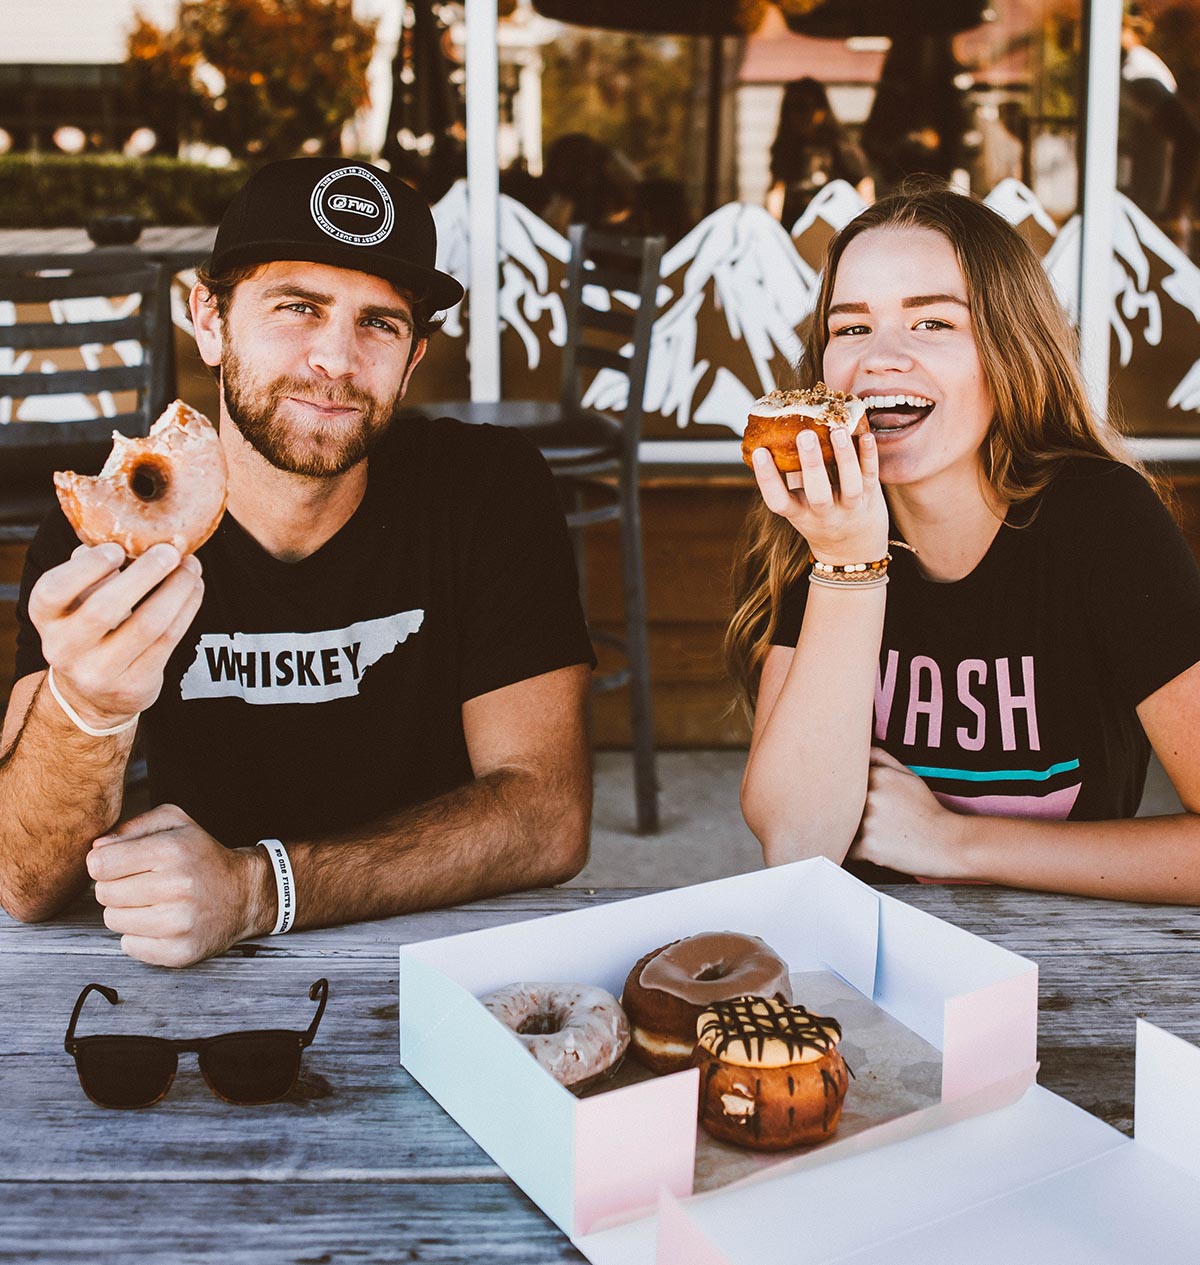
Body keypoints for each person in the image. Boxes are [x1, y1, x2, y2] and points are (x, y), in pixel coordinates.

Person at [0, 158, 595, 964]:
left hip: (435, 949)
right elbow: (24, 881)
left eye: (379, 323)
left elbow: (547, 818)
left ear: (414, 357)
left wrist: (256, 889)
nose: (336, 360)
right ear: (208, 320)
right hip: (190, 977)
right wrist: (87, 708)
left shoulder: (486, 489)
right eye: (297, 308)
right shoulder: (113, 529)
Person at [726, 181, 1200, 903]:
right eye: (850, 328)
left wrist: (954, 840)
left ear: (1010, 350)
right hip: (868, 953)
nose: (879, 357)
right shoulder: (827, 514)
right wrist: (848, 559)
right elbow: (796, 844)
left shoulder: (1104, 520)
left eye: (933, 324)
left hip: (1073, 959)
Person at [1119, 6, 1200, 254]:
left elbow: (1189, 139)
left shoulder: (1137, 72)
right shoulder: (1144, 64)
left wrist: (1172, 214)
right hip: (1146, 220)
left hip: (1150, 223)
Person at [766, 78, 872, 228]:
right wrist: (773, 228)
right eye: (792, 108)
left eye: (805, 107)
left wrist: (865, 227)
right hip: (794, 234)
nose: (799, 115)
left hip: (833, 232)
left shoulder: (841, 148)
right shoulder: (786, 149)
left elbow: (864, 186)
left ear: (822, 109)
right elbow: (776, 191)